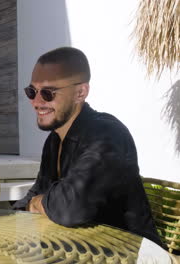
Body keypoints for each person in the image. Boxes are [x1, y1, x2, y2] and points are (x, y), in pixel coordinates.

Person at [13, 47, 162, 246]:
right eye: (32, 91)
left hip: (126, 254)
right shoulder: (54, 140)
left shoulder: (107, 135)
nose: (36, 102)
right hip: (77, 251)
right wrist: (14, 214)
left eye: (48, 93)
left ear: (80, 92)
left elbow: (70, 207)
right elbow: (39, 191)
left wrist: (36, 203)